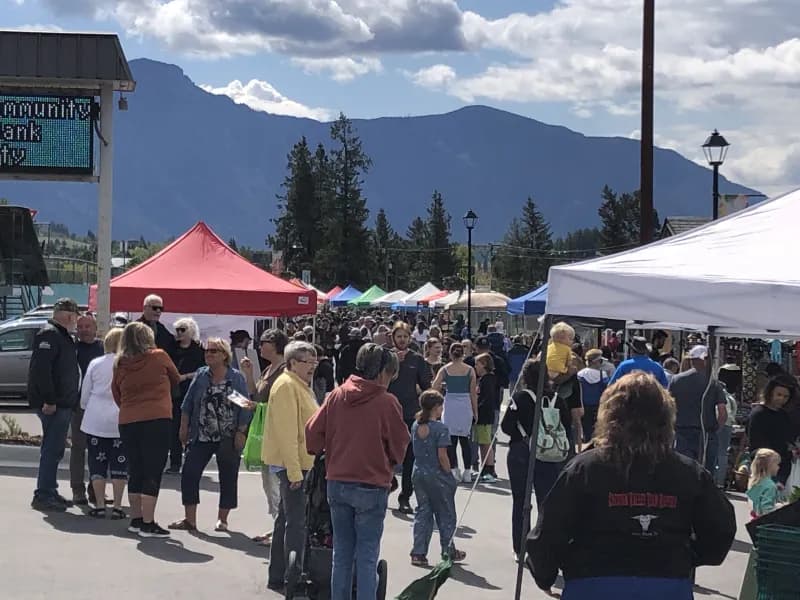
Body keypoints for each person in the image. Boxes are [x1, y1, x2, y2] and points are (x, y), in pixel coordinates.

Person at [528, 373, 736, 599]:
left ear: (608, 416)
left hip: (594, 581)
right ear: (667, 418)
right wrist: (688, 555)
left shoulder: (584, 469)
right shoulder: (689, 472)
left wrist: (545, 575)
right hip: (665, 581)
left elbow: (549, 531)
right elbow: (721, 528)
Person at [306, 343, 410, 600]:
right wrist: (391, 462)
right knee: (366, 554)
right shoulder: (387, 402)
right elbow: (400, 444)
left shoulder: (337, 395)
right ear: (383, 372)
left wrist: (323, 449)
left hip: (338, 480)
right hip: (371, 483)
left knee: (341, 552)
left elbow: (312, 434)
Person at [170, 338, 252, 532]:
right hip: (202, 434)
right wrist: (183, 428)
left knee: (228, 476)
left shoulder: (235, 378)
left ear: (224, 355)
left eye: (214, 351)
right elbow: (188, 404)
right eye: (207, 351)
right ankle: (190, 519)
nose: (209, 354)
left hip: (228, 435)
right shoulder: (201, 375)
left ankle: (222, 519)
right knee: (189, 473)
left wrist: (241, 431)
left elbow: (246, 406)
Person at [501, 359, 578, 561]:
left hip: (521, 451)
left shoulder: (520, 398)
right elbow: (566, 427)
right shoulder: (557, 400)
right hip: (549, 454)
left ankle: (520, 547)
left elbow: (506, 426)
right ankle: (543, 545)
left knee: (520, 500)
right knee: (546, 501)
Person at [112, 322, 180, 538]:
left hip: (128, 419)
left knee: (136, 469)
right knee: (153, 470)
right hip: (156, 417)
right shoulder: (158, 356)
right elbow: (175, 377)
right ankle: (148, 523)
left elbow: (115, 392)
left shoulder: (120, 363)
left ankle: (136, 518)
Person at [263, 341, 319, 593]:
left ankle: (279, 574)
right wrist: (295, 472)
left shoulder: (299, 385)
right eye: (308, 361)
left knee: (286, 519)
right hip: (292, 464)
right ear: (293, 363)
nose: (313, 366)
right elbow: (287, 433)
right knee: (295, 522)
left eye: (314, 361)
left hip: (298, 462)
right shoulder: (287, 386)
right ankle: (291, 577)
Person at [28, 298, 82, 512]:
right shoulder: (50, 334)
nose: (76, 321)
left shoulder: (61, 335)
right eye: (76, 317)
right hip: (54, 404)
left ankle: (49, 489)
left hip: (62, 403)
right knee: (51, 449)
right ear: (69, 315)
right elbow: (42, 371)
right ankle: (43, 494)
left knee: (55, 449)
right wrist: (49, 399)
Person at [241, 328, 288, 547]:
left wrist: (257, 406)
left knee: (276, 485)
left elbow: (282, 405)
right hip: (264, 434)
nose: (260, 346)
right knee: (268, 485)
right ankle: (277, 527)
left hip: (277, 437)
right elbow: (255, 394)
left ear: (276, 344)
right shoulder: (269, 369)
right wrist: (249, 375)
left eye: (264, 342)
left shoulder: (285, 371)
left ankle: (282, 533)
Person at [407, 390, 465, 567]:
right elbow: (442, 455)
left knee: (423, 511)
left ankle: (418, 552)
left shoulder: (416, 425)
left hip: (419, 471)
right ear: (435, 408)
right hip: (437, 474)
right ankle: (448, 550)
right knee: (445, 512)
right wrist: (449, 473)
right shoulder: (440, 428)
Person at [80, 327, 127, 519]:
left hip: (95, 419)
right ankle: (117, 506)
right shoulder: (127, 364)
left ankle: (99, 505)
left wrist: (85, 406)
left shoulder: (96, 363)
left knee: (96, 464)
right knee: (120, 465)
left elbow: (85, 393)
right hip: (120, 420)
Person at [388, 321, 432, 514]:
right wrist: (393, 362)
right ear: (393, 338)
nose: (402, 340)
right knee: (385, 453)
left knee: (409, 458)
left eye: (405, 336)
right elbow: (376, 380)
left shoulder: (417, 359)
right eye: (399, 337)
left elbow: (425, 385)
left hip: (410, 413)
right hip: (388, 412)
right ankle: (388, 482)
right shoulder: (385, 356)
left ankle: (405, 496)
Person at [668, 344, 727, 466]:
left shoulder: (676, 380)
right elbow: (722, 413)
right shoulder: (713, 383)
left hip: (682, 434)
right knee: (705, 474)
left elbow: (668, 406)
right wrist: (716, 429)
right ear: (705, 360)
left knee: (683, 473)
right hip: (705, 435)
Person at [432, 342, 477, 483]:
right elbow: (473, 393)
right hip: (465, 404)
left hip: (450, 403)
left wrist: (440, 397)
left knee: (451, 440)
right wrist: (475, 411)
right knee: (465, 440)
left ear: (450, 354)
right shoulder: (470, 370)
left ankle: (454, 470)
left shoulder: (445, 369)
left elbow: (435, 386)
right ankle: (468, 471)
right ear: (463, 354)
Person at [71, 313, 104, 505]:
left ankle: (96, 489)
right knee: (78, 448)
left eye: (87, 326)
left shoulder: (103, 348)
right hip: (78, 407)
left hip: (99, 407)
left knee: (98, 450)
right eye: (80, 326)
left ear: (95, 328)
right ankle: (77, 489)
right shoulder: (72, 350)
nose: (83, 330)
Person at [165, 317, 205, 475]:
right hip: (174, 392)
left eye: (183, 329)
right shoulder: (171, 348)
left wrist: (186, 376)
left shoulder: (199, 350)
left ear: (191, 331)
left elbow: (203, 371)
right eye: (177, 330)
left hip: (192, 390)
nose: (179, 333)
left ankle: (191, 462)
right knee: (175, 427)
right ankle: (175, 463)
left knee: (192, 426)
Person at [748, 375, 795, 484]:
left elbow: (787, 438)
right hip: (764, 467)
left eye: (786, 396)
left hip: (782, 467)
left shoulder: (784, 415)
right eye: (778, 394)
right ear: (770, 392)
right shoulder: (758, 414)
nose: (781, 399)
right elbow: (755, 442)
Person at [474, 353, 499, 482]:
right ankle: (484, 469)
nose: (475, 367)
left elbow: (486, 398)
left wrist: (477, 408)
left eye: (477, 364)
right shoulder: (484, 378)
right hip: (485, 414)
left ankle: (489, 469)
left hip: (485, 414)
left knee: (485, 443)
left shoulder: (488, 379)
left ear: (484, 365)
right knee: (483, 442)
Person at [577, 349, 609, 443]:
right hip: (598, 406)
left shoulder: (580, 374)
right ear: (596, 362)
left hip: (584, 406)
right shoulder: (602, 375)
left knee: (586, 429)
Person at [747, 448, 782, 518]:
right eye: (777, 464)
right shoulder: (770, 486)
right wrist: (780, 507)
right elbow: (766, 509)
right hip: (765, 524)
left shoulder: (756, 481)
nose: (779, 467)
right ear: (770, 465)